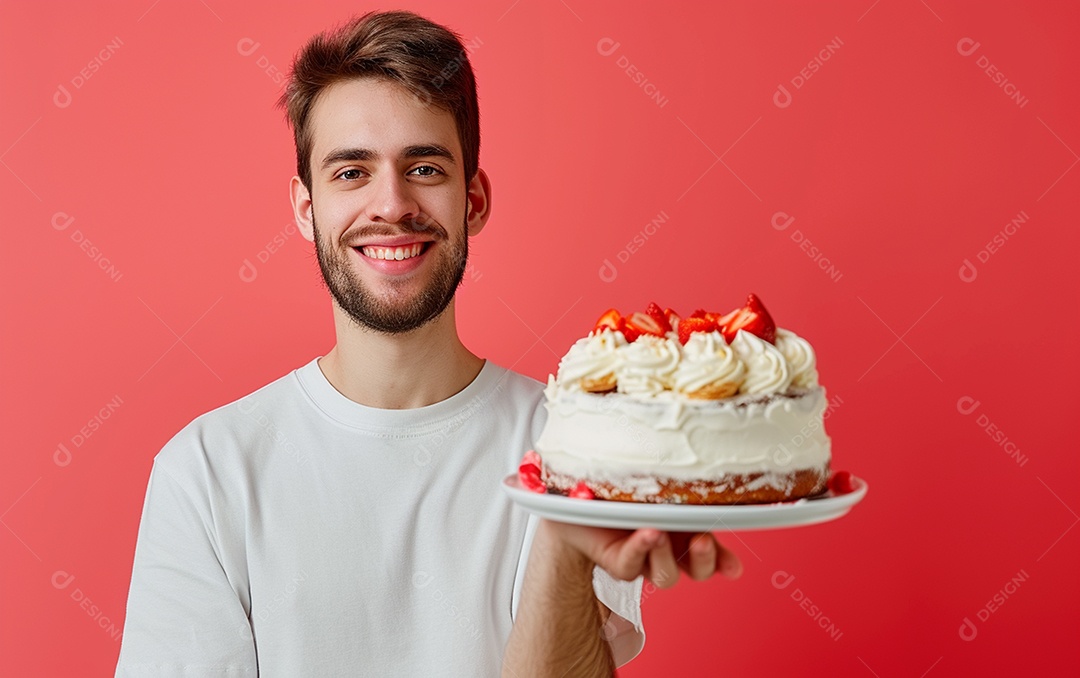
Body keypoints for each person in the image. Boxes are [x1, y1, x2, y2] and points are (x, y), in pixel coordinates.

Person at [114, 10, 742, 677]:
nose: (391, 205)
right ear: (306, 208)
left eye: (424, 168)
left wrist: (561, 538)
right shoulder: (207, 473)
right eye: (351, 172)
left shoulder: (577, 448)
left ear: (473, 200)